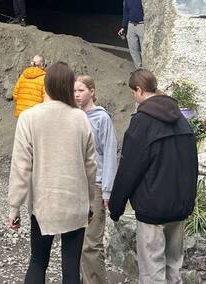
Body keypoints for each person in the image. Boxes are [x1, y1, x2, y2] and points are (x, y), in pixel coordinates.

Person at [8, 62, 97, 284]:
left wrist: (14, 206)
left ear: (46, 85)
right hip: (75, 203)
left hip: (44, 204)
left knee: (38, 262)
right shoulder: (80, 118)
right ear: (69, 86)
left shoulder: (29, 117)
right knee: (71, 267)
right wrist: (90, 202)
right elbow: (90, 166)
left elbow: (21, 166)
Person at [109, 69, 197, 284]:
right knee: (174, 267)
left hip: (152, 208)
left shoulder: (142, 122)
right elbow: (192, 164)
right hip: (179, 206)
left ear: (139, 90)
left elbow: (129, 168)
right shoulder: (181, 120)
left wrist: (115, 207)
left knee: (152, 272)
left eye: (133, 93)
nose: (134, 97)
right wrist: (188, 200)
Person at [74, 76, 118, 284]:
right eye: (74, 91)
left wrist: (107, 190)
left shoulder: (102, 119)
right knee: (77, 241)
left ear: (92, 92)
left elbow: (109, 153)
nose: (77, 94)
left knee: (91, 242)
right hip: (76, 185)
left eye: (81, 90)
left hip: (96, 185)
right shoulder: (74, 117)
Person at [118, 0, 145, 68]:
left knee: (145, 48)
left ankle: (147, 66)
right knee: (133, 48)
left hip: (141, 25)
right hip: (131, 26)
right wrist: (123, 27)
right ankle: (139, 67)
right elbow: (126, 13)